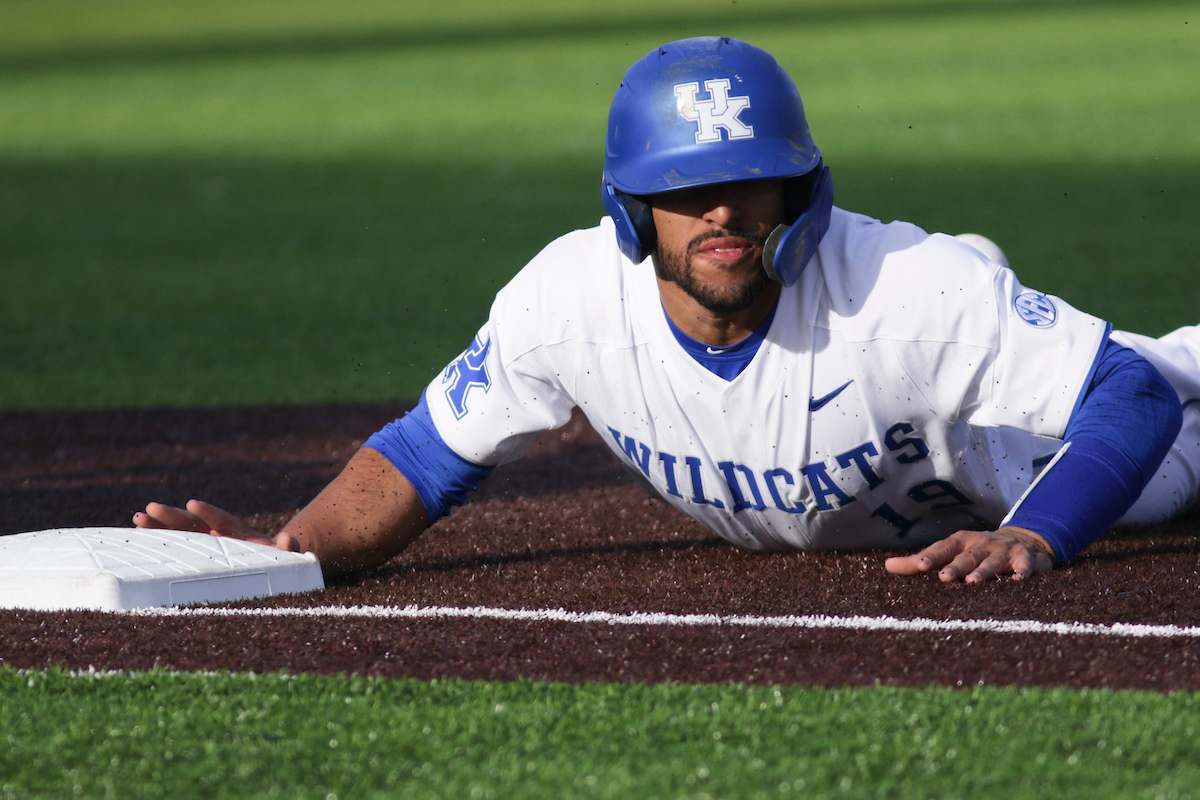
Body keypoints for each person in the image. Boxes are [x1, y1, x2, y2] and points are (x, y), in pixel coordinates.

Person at [135, 36, 1200, 584]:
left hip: (1035, 456)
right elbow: (422, 454)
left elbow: (1132, 392)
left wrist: (1039, 531)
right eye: (687, 191)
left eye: (749, 180)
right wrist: (289, 550)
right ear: (633, 208)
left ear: (801, 189)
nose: (722, 211)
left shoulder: (901, 292)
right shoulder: (568, 299)